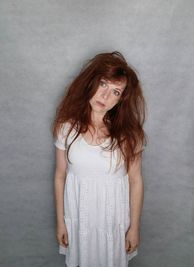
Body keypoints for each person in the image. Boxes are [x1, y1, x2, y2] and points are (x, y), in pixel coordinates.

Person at [52, 51, 147, 267]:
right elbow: (60, 176)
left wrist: (134, 228)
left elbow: (135, 181)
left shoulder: (128, 135)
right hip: (80, 219)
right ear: (91, 82)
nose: (105, 96)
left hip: (113, 222)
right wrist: (61, 222)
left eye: (115, 91)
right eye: (103, 84)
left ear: (121, 99)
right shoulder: (66, 128)